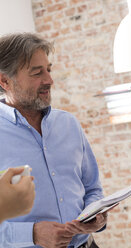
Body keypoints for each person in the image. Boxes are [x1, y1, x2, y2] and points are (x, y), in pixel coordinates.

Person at [0, 33, 107, 248]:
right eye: (36, 73)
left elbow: (92, 187)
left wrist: (96, 215)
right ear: (4, 81)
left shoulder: (69, 124)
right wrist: (31, 234)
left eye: (48, 69)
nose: (49, 80)